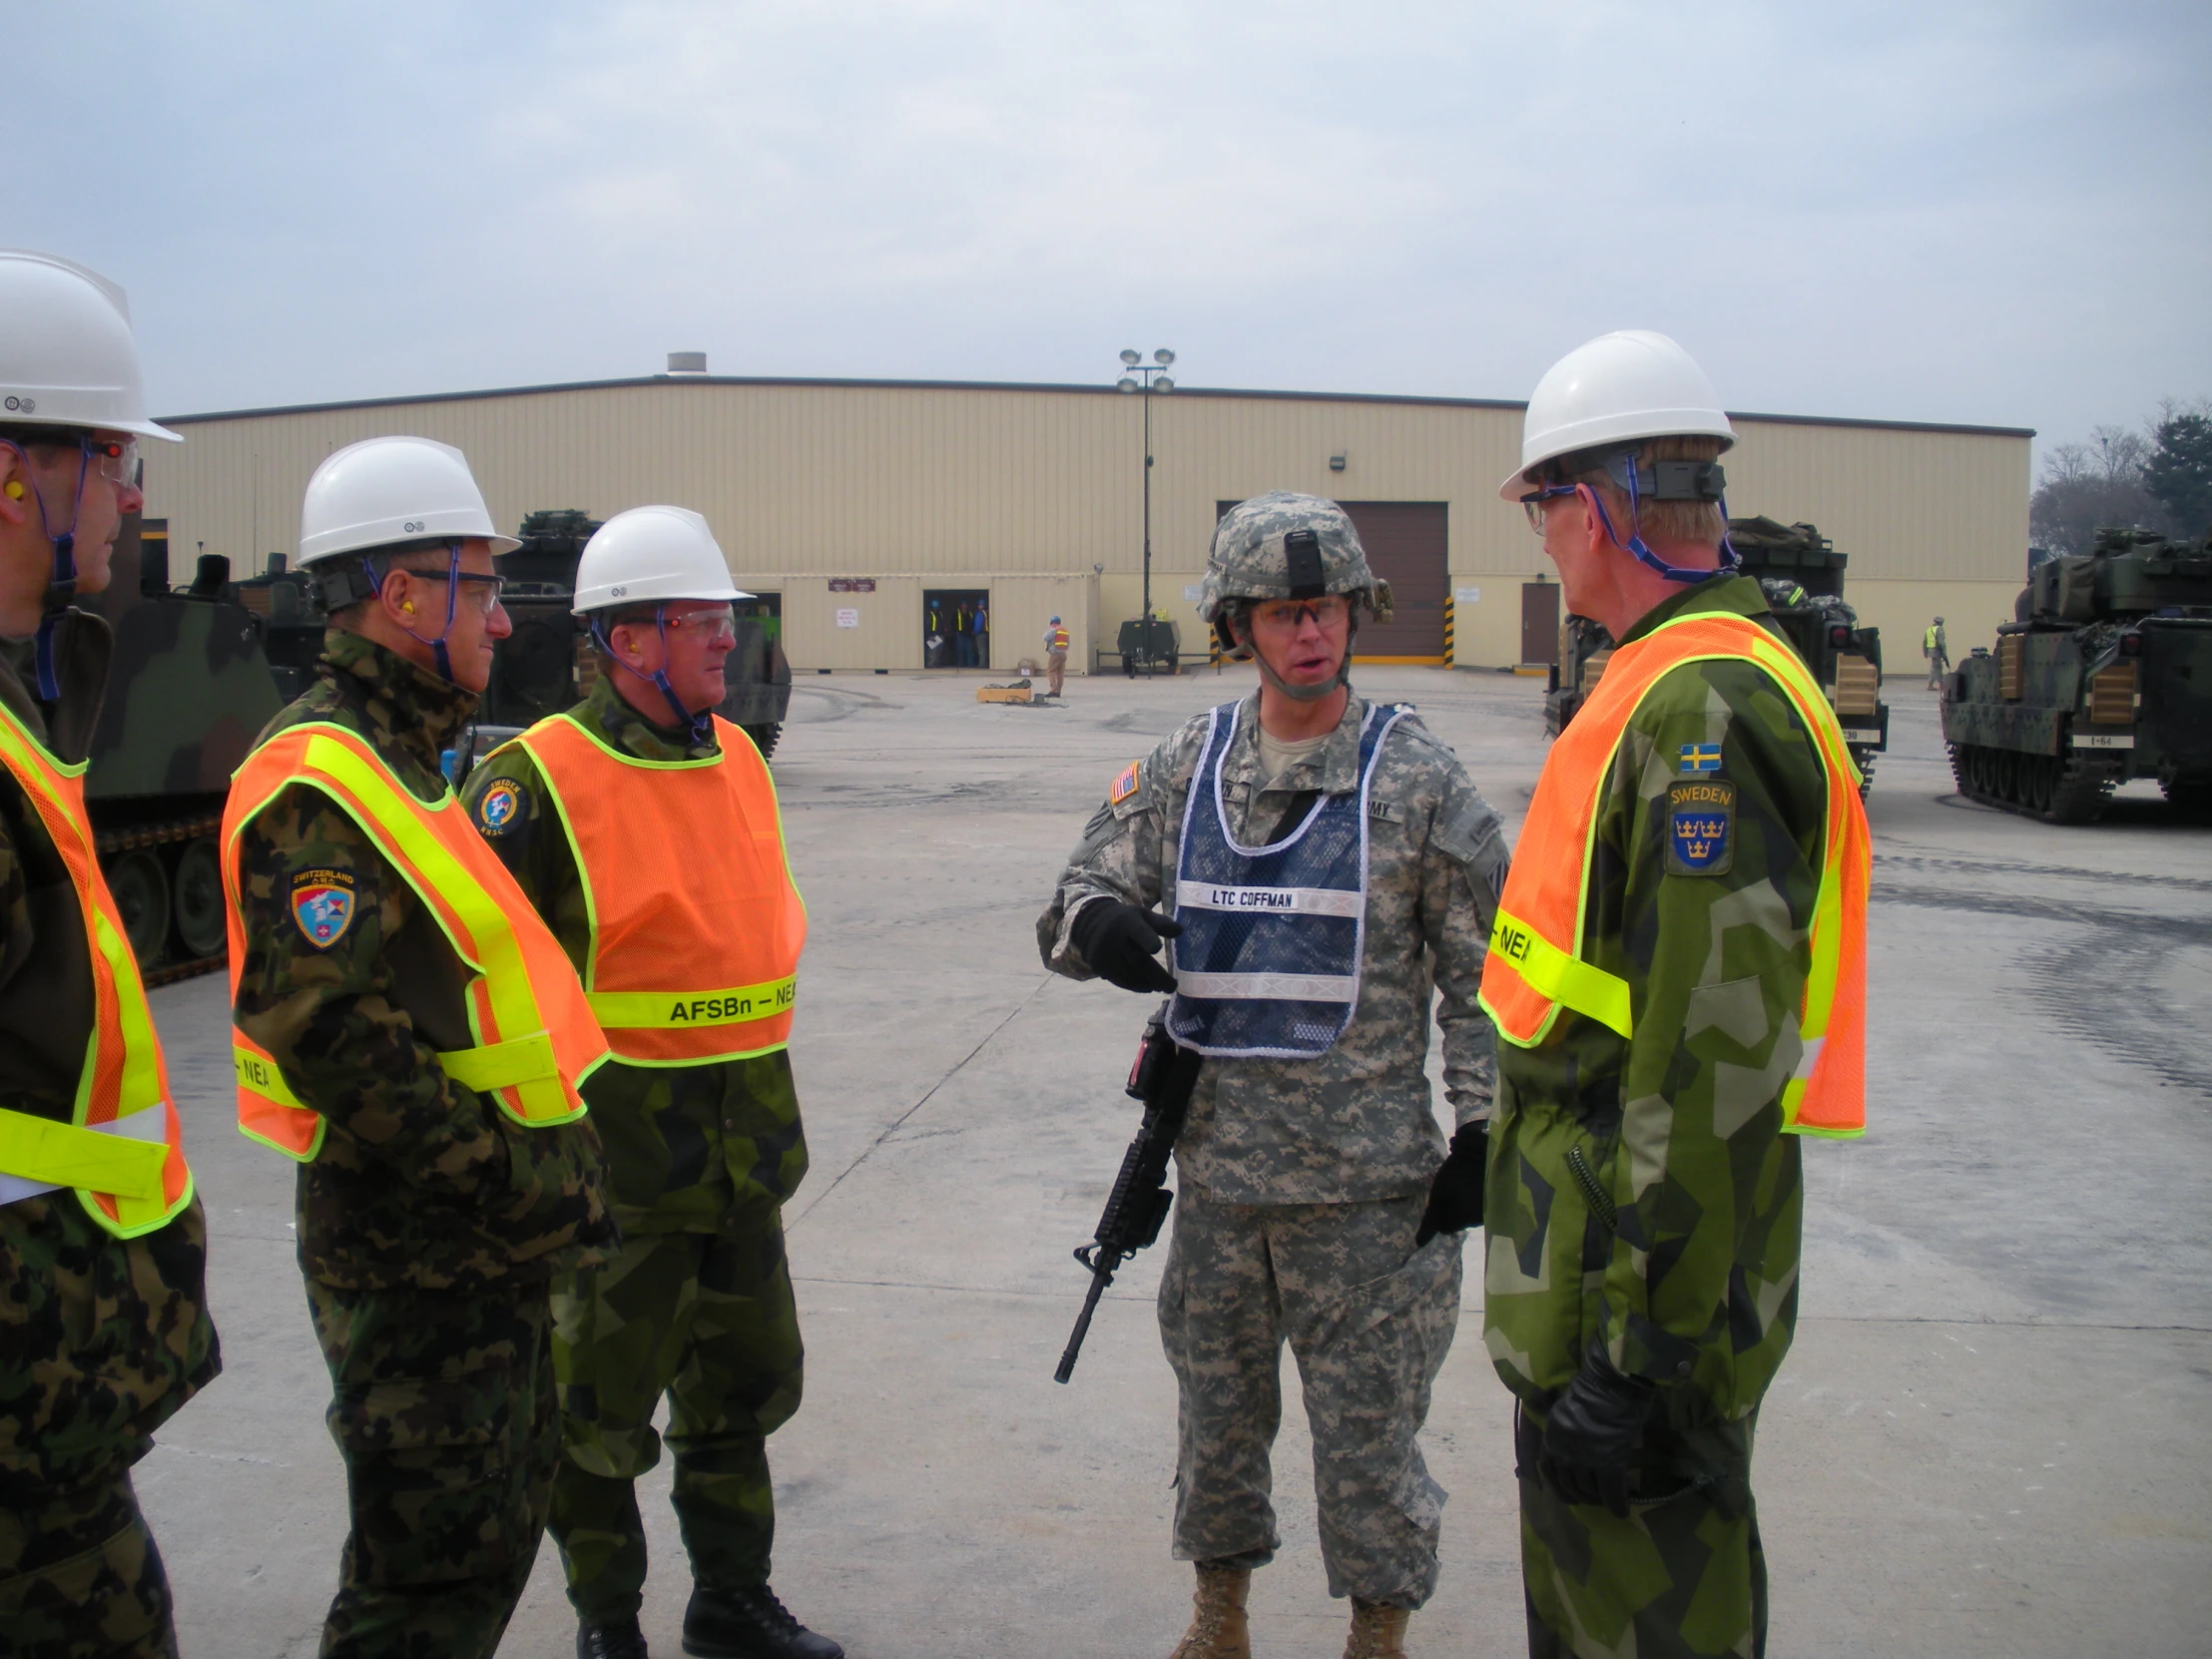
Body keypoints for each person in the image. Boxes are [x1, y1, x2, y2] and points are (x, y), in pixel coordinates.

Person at [1037, 492, 1508, 1659]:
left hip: (1371, 1204)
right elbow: (1070, 897)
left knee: (1370, 1445)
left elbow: (1486, 973)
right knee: (1215, 1431)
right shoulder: (1186, 766)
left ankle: (1376, 1637)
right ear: (1238, 625)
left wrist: (1485, 1128)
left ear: (1357, 615)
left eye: (1329, 609)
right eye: (1284, 613)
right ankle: (1219, 1621)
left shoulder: (1417, 783)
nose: (1311, 633)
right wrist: (1098, 928)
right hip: (1220, 1194)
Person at [1483, 330, 1869, 1659]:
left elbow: (1711, 1066)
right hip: (1594, 1260)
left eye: (1542, 510)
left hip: (1635, 1304)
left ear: (1589, 509)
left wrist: (1639, 1359)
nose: (1544, 544)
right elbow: (1608, 999)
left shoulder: (1699, 711)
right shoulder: (1666, 678)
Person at [222, 435, 616, 1658]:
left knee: (480, 1553)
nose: (500, 623)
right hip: (417, 1262)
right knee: (420, 1590)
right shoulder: (323, 772)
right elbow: (322, 1025)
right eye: (481, 587)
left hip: (470, 1255)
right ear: (402, 596)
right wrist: (506, 1180)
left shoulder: (409, 753)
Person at [459, 506, 838, 1659]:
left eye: (728, 619)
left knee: (741, 1396)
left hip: (741, 1161)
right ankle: (606, 1624)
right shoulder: (531, 783)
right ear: (628, 641)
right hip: (614, 1178)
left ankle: (730, 1600)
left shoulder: (734, 759)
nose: (728, 642)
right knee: (596, 1420)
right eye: (702, 622)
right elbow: (478, 990)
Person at [0, 250, 219, 1659]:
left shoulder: (38, 697)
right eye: (110, 457)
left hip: (58, 1382)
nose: (135, 493)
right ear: (16, 475)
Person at [1042, 614, 1070, 697]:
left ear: (1052, 623)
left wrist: (1050, 630)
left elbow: (1045, 638)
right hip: (1063, 654)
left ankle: (1053, 690)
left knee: (1050, 671)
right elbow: (1068, 643)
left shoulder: (1054, 630)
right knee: (1060, 673)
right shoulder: (1065, 631)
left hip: (1055, 654)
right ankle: (1058, 691)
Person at [1925, 616, 1948, 689]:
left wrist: (1925, 652)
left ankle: (1934, 684)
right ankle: (1939, 684)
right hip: (1937, 650)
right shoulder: (1939, 629)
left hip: (1930, 650)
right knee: (1937, 667)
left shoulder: (1929, 629)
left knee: (1935, 666)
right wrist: (1944, 653)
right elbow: (1941, 642)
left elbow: (1925, 641)